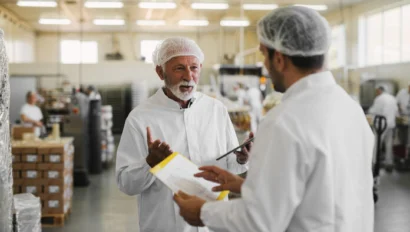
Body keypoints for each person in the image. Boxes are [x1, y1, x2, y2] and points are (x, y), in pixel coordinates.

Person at [174, 6, 375, 232]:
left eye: (263, 55)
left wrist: (202, 211)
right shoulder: (350, 109)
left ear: (278, 59)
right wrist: (244, 185)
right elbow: (321, 191)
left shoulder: (284, 121)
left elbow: (259, 221)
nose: (265, 66)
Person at [115, 37, 249, 232]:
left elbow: (230, 167)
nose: (188, 76)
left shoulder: (216, 110)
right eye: (179, 68)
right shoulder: (140, 118)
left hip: (213, 224)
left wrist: (241, 158)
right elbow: (126, 184)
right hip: (165, 226)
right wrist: (149, 165)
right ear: (160, 72)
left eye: (194, 68)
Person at [368, 85, 398, 172]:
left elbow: (373, 110)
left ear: (379, 90)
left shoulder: (379, 99)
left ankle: (374, 163)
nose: (376, 93)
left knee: (377, 144)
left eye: (377, 91)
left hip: (381, 125)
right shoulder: (392, 98)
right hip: (391, 124)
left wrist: (370, 112)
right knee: (389, 145)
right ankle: (389, 163)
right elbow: (396, 111)